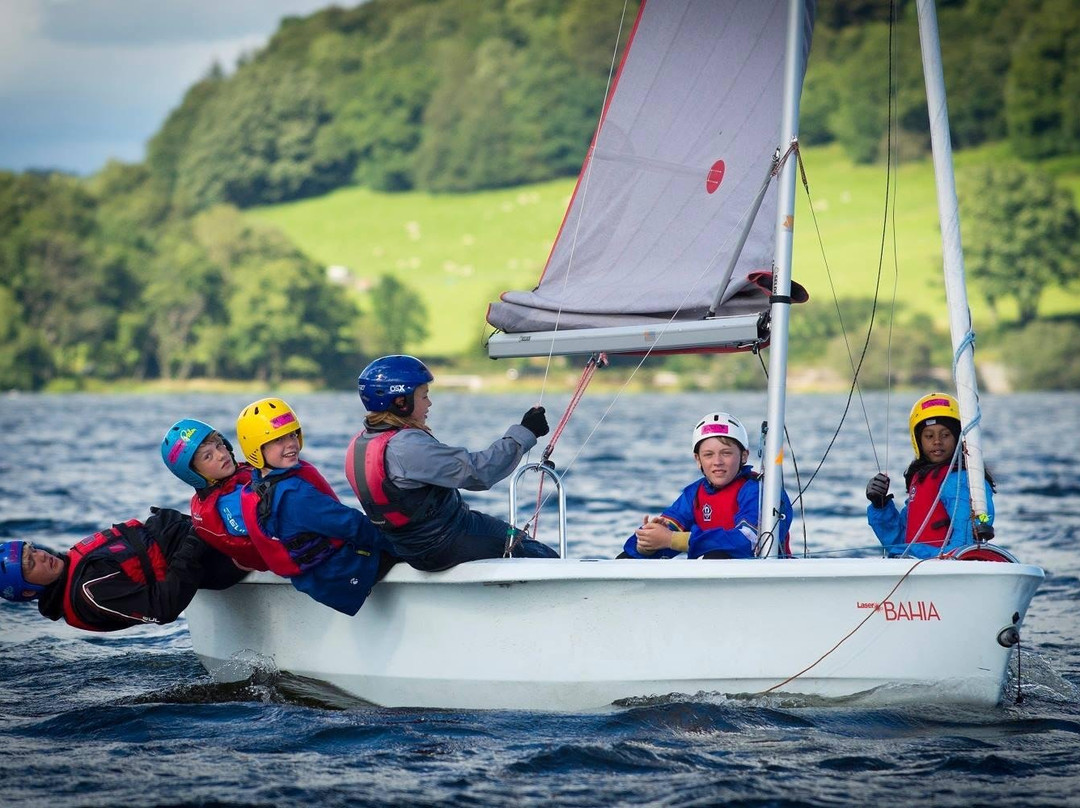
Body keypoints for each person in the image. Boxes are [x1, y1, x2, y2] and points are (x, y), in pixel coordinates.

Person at [346, 354, 560, 572]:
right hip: (444, 542)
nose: (429, 403)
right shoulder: (406, 446)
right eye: (424, 396)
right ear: (401, 402)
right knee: (543, 557)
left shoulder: (360, 443)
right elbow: (479, 472)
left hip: (408, 546)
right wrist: (525, 433)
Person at [233, 396, 399, 615]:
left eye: (292, 434)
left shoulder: (256, 484)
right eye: (278, 440)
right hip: (340, 576)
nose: (290, 443)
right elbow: (352, 525)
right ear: (256, 449)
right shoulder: (294, 494)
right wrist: (400, 541)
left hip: (316, 579)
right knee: (411, 545)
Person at [0, 507, 245, 631]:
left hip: (195, 535)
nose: (41, 555)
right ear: (30, 591)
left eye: (32, 550)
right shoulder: (90, 592)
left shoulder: (75, 561)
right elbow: (163, 608)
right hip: (213, 557)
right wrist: (195, 538)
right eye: (31, 564)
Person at [619, 411, 793, 559]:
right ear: (698, 460)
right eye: (708, 455)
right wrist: (646, 543)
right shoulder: (694, 494)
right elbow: (667, 532)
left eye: (726, 453)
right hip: (714, 584)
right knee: (625, 558)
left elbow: (749, 541)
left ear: (744, 456)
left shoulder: (760, 491)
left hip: (763, 579)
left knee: (717, 556)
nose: (717, 462)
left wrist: (673, 539)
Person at [865, 392, 995, 559]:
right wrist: (880, 506)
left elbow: (965, 541)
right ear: (918, 440)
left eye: (945, 435)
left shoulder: (962, 480)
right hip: (918, 566)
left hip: (944, 568)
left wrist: (920, 557)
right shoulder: (921, 479)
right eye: (929, 436)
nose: (937, 441)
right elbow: (897, 540)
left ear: (958, 437)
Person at [161, 418, 267, 572]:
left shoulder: (230, 482)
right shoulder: (229, 504)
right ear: (193, 474)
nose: (221, 455)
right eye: (208, 456)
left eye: (219, 445)